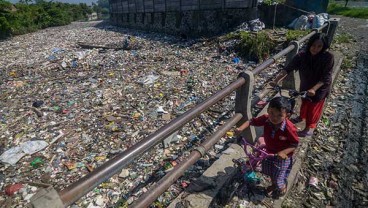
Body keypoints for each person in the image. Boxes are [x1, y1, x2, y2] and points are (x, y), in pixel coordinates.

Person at [271, 33, 334, 137]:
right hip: (306, 84)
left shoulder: (328, 57)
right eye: (313, 45)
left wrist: (314, 89)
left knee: (313, 108)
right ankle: (301, 117)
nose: (315, 49)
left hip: (320, 88)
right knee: (304, 102)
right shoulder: (302, 56)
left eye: (319, 46)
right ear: (309, 44)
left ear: (323, 47)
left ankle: (308, 129)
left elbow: (326, 77)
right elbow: (288, 68)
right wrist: (276, 80)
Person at [235, 97, 299, 198]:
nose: (274, 117)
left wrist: (283, 152)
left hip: (282, 158)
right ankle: (273, 185)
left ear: (287, 116)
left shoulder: (289, 128)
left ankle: (282, 187)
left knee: (279, 179)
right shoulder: (266, 119)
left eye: (279, 115)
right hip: (269, 152)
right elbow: (251, 121)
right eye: (271, 113)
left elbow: (294, 144)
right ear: (268, 110)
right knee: (270, 172)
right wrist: (240, 128)